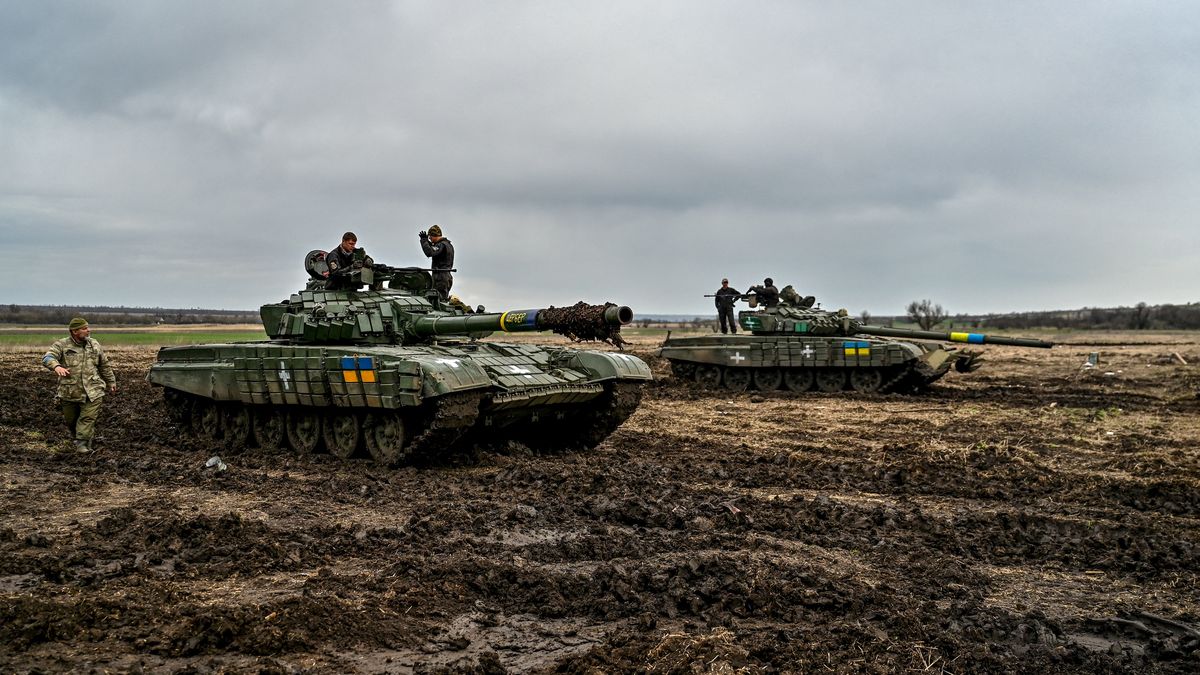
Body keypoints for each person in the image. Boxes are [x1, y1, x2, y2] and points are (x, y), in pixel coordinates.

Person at [41, 318, 117, 452]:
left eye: (88, 327)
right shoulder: (62, 345)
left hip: (93, 391)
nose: (88, 330)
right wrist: (56, 366)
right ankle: (84, 440)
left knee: (87, 419)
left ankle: (82, 445)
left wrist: (111, 382)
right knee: (71, 421)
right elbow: (47, 357)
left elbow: (104, 365)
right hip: (69, 391)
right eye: (84, 328)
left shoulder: (94, 344)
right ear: (74, 331)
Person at [419, 224, 455, 300]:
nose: (430, 239)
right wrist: (427, 242)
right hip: (445, 276)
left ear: (433, 235)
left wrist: (424, 241)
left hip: (440, 278)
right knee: (441, 299)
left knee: (438, 300)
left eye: (430, 237)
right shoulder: (447, 245)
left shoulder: (441, 245)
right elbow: (434, 249)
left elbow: (430, 252)